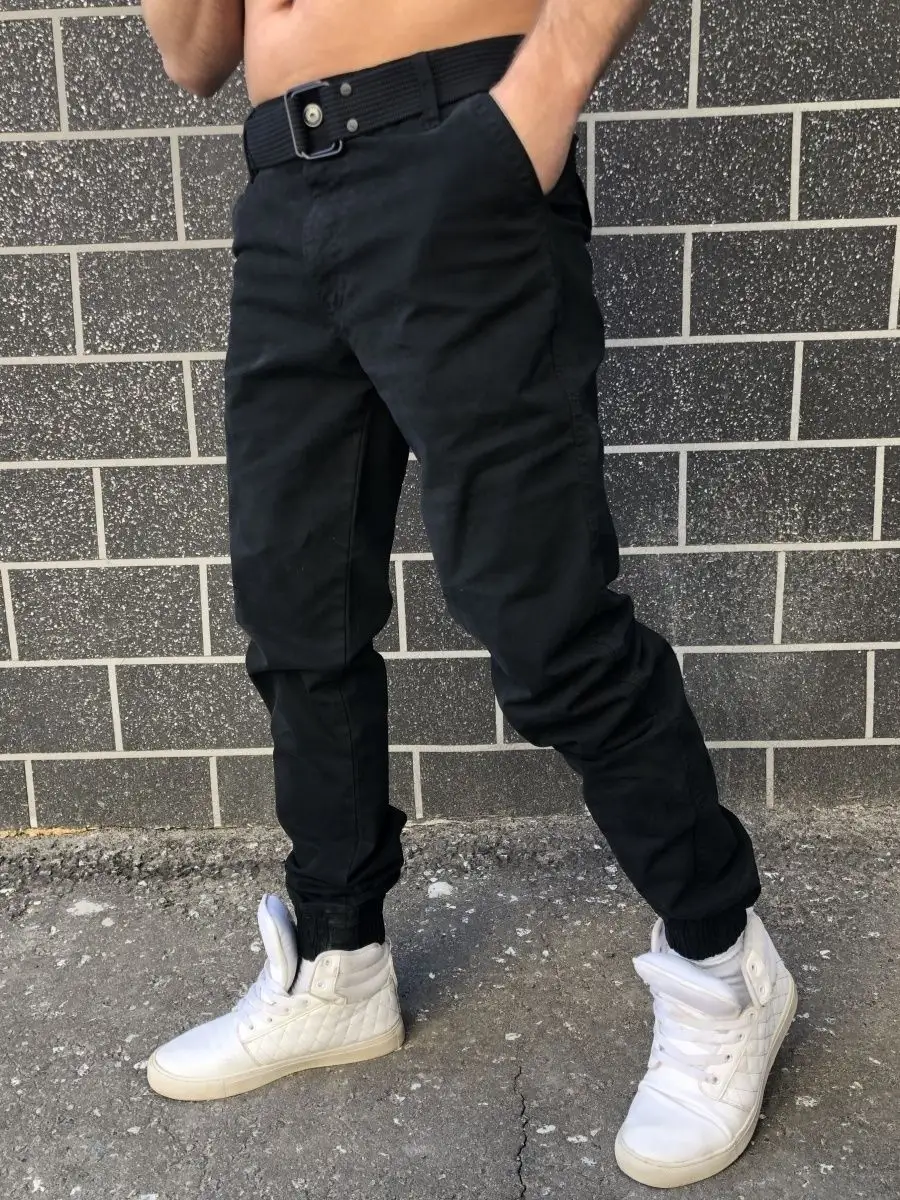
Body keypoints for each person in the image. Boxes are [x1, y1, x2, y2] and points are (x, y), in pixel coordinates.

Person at [141, 0, 797, 1186]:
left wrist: (542, 92)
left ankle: (723, 964)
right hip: (282, 188)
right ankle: (338, 963)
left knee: (543, 620)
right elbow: (194, 56)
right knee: (296, 615)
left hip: (457, 142)